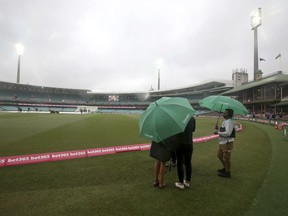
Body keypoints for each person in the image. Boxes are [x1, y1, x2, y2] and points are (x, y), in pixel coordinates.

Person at [174, 116, 196, 190]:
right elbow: (193, 130)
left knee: (180, 163)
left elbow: (175, 131)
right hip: (189, 143)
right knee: (188, 163)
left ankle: (181, 183)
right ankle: (187, 182)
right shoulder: (192, 118)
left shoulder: (177, 118)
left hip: (179, 143)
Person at [213, 108, 236, 178]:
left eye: (225, 112)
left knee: (226, 158)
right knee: (219, 156)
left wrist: (217, 132)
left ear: (229, 114)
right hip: (222, 142)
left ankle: (227, 173)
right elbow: (223, 130)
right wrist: (218, 128)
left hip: (227, 143)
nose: (223, 113)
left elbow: (228, 133)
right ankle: (225, 168)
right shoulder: (225, 121)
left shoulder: (230, 122)